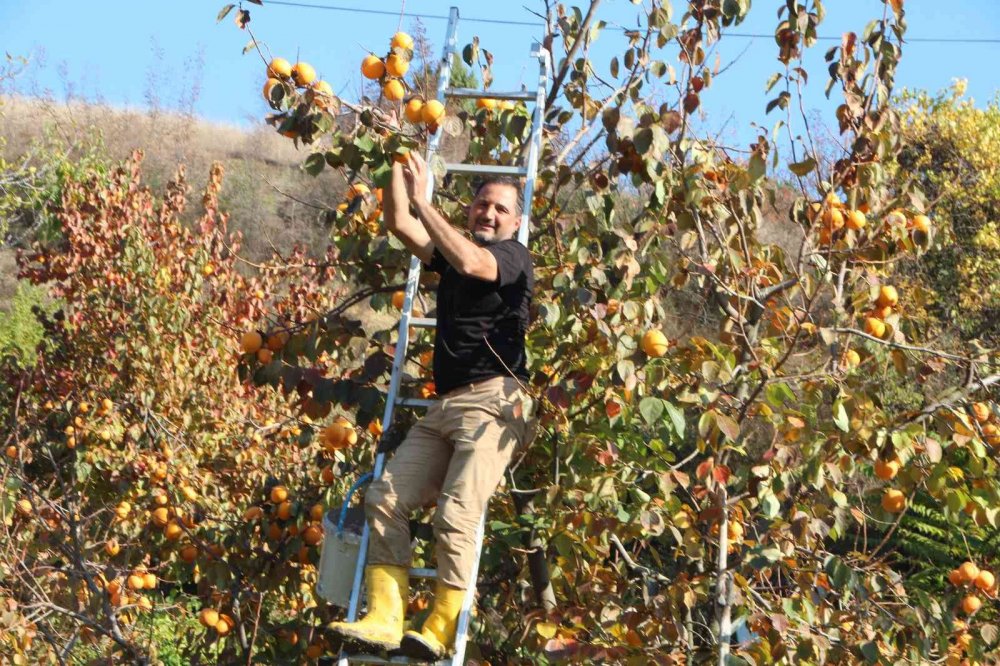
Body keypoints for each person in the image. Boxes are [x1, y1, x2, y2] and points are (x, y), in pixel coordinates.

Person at [328, 152, 537, 660]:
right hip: (445, 406)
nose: (489, 213)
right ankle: (385, 616)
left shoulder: (514, 257)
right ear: (469, 210)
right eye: (482, 204)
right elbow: (400, 224)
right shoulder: (453, 253)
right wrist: (394, 174)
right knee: (385, 498)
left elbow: (473, 263)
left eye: (501, 209)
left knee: (457, 512)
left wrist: (425, 200)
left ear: (516, 222)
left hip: (496, 401)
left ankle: (442, 625)